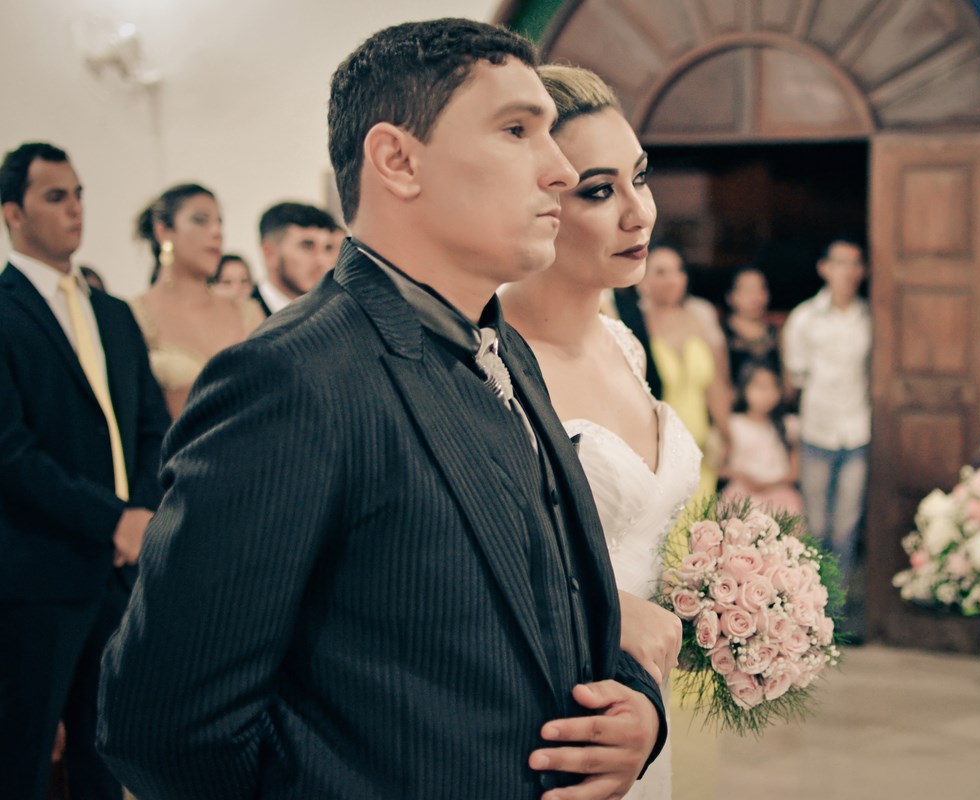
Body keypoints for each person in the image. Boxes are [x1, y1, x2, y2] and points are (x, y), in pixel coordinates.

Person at [96, 19, 665, 800]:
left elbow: (552, 600)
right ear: (398, 160)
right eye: (516, 130)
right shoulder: (292, 379)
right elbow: (162, 727)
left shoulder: (505, 349)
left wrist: (638, 707)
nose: (560, 170)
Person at [502, 64, 695, 800]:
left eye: (639, 178)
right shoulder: (492, 366)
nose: (639, 214)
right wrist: (604, 616)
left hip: (645, 706)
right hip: (553, 714)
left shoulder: (625, 346)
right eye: (598, 191)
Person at [0, 141, 170, 800]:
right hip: (38, 573)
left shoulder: (113, 313)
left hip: (119, 573)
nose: (75, 209)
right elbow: (11, 452)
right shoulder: (5, 311)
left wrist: (144, 512)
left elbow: (151, 426)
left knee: (107, 759)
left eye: (78, 195)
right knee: (22, 760)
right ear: (13, 213)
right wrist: (113, 518)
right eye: (55, 197)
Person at [781, 238, 871, 638]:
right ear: (824, 268)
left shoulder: (869, 317)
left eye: (855, 264)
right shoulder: (804, 319)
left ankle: (838, 609)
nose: (848, 272)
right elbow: (796, 376)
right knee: (815, 527)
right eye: (840, 263)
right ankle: (812, 611)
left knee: (846, 527)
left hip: (857, 430)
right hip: (817, 430)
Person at [130, 183, 264, 418]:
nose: (216, 232)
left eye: (219, 222)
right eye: (200, 220)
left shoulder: (247, 311)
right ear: (163, 231)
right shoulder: (134, 315)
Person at [640, 241, 731, 497]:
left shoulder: (698, 319)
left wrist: (725, 433)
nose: (673, 279)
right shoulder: (638, 325)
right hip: (657, 448)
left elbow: (715, 384)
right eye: (661, 272)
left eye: (678, 270)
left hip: (701, 447)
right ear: (642, 279)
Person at [720, 362, 802, 514]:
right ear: (744, 389)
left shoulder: (788, 426)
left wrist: (769, 484)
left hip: (780, 495)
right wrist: (744, 478)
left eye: (773, 387)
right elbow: (719, 467)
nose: (767, 394)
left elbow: (794, 472)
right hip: (742, 494)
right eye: (760, 387)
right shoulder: (733, 425)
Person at [250, 201, 342, 317]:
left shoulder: (335, 314)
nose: (322, 260)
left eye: (328, 248)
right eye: (307, 246)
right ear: (270, 253)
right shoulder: (238, 318)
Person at [723, 267, 782, 384]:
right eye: (748, 291)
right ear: (730, 297)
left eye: (761, 289)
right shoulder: (721, 335)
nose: (756, 298)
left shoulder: (777, 335)